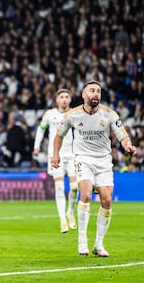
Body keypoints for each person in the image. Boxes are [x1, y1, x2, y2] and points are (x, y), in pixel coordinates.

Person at [51, 80, 137, 257]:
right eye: (92, 90)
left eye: (98, 91)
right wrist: (55, 154)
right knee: (86, 195)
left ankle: (98, 244)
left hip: (104, 162)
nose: (96, 94)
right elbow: (59, 136)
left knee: (106, 200)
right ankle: (82, 241)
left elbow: (122, 135)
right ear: (84, 95)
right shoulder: (72, 115)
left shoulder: (109, 114)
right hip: (84, 159)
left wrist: (128, 144)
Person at [33, 88, 78, 233]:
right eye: (61, 97)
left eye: (67, 97)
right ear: (57, 100)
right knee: (59, 187)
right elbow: (41, 129)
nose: (64, 99)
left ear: (70, 100)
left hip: (72, 155)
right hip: (55, 155)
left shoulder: (75, 114)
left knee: (74, 187)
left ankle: (70, 211)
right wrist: (37, 146)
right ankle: (62, 220)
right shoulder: (49, 114)